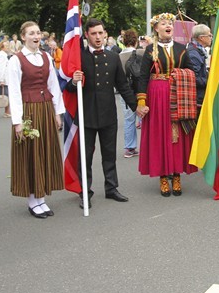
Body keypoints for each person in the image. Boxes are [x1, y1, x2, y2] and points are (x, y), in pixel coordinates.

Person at [68, 18, 139, 207]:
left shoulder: (113, 57)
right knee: (86, 157)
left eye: (101, 33)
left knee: (109, 154)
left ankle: (111, 188)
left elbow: (123, 86)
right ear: (86, 35)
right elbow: (66, 87)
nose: (98, 37)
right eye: (94, 33)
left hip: (108, 114)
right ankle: (85, 191)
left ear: (105, 33)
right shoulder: (78, 57)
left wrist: (136, 107)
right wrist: (74, 81)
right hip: (86, 115)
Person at [7, 21, 65, 218]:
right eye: (31, 33)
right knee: (31, 153)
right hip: (28, 110)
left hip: (46, 108)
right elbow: (14, 92)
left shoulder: (46, 56)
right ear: (23, 37)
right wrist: (18, 121)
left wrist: (57, 112)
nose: (36, 36)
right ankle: (32, 200)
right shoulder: (16, 60)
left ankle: (42, 198)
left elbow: (53, 86)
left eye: (38, 33)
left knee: (46, 151)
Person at [136, 13, 196, 197]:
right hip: (157, 95)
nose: (168, 25)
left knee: (177, 134)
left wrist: (181, 76)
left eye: (170, 23)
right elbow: (143, 76)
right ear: (156, 28)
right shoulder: (149, 50)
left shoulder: (181, 48)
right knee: (160, 134)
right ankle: (163, 176)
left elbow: (191, 71)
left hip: (178, 94)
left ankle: (176, 174)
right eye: (163, 23)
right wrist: (141, 101)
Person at [118, 29, 144, 159]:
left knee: (129, 120)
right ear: (136, 40)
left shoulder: (118, 56)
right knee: (145, 118)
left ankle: (130, 147)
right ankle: (146, 145)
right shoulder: (141, 53)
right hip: (140, 91)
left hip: (125, 92)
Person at [186, 24, 212, 108]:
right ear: (202, 38)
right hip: (197, 97)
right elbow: (193, 77)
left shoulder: (197, 51)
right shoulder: (193, 53)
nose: (211, 37)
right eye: (209, 35)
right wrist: (209, 81)